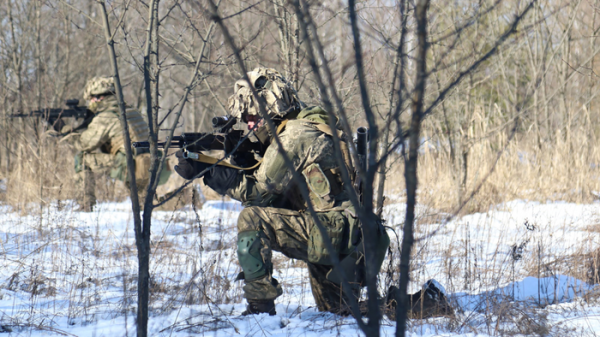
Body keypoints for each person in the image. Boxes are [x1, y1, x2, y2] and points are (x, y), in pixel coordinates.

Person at [175, 68, 452, 318]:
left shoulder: (295, 136)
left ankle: (260, 309)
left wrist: (208, 171)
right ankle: (426, 302)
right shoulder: (310, 122)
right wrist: (243, 158)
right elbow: (284, 193)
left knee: (252, 218)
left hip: (335, 232)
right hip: (351, 237)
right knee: (338, 312)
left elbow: (259, 195)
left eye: (251, 118)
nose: (248, 125)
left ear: (270, 109)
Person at [64, 76, 170, 211]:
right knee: (148, 206)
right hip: (149, 162)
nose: (90, 103)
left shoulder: (106, 116)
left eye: (91, 99)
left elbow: (84, 144)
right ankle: (188, 196)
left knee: (82, 159)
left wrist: (65, 130)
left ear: (99, 98)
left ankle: (86, 205)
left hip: (130, 164)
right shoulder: (131, 110)